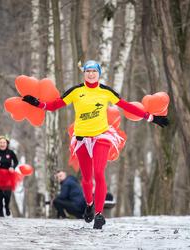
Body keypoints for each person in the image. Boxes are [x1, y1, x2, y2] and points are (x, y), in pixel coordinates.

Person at [22, 60, 169, 229]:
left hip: (102, 136)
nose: (91, 74)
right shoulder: (76, 91)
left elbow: (126, 106)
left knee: (98, 173)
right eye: (88, 71)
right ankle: (90, 205)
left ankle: (99, 214)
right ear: (84, 73)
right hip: (82, 138)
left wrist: (151, 117)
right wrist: (38, 104)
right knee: (86, 178)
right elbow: (55, 105)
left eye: (94, 71)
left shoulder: (106, 91)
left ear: (99, 73)